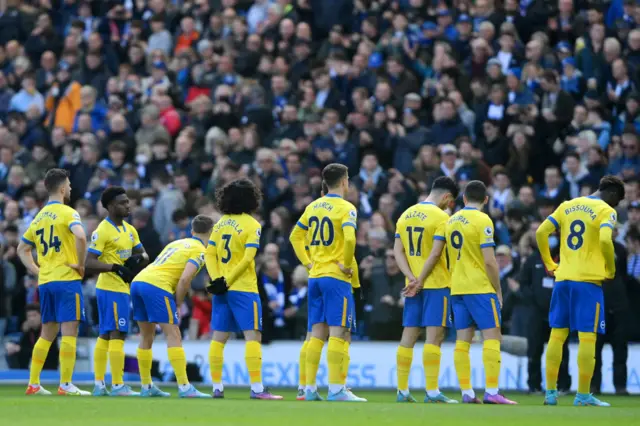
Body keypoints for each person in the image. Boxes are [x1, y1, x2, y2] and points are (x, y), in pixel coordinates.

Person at [536, 175, 626, 407]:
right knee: (587, 337)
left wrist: (549, 264)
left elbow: (540, 232)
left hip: (563, 279)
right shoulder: (606, 210)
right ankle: (583, 395)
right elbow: (606, 240)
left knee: (557, 335)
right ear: (613, 195)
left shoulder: (567, 206)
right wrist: (610, 268)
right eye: (616, 202)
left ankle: (550, 394)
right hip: (588, 283)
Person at [289, 163, 366, 402]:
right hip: (336, 277)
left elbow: (295, 236)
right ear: (344, 181)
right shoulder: (346, 208)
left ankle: (309, 388)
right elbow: (350, 238)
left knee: (316, 334)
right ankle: (336, 389)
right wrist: (345, 263)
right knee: (338, 333)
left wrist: (307, 262)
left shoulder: (313, 207)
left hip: (315, 277)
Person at [205, 179, 283, 400]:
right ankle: (257, 388)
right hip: (243, 289)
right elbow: (249, 257)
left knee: (218, 338)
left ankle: (217, 387)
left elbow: (209, 254)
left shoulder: (220, 224)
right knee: (253, 337)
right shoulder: (253, 225)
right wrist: (228, 280)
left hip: (221, 289)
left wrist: (217, 279)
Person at [17, 168, 89, 396]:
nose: (70, 188)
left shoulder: (38, 216)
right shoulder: (68, 213)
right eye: (68, 184)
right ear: (61, 188)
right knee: (69, 332)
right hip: (67, 279)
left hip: (46, 282)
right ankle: (66, 384)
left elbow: (22, 248)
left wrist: (37, 270)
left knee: (47, 333)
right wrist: (80, 264)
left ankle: (34, 383)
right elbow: (80, 236)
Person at [446, 180, 517, 405]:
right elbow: (489, 261)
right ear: (486, 200)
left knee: (462, 342)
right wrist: (497, 289)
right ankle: (492, 391)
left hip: (457, 288)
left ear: (464, 199)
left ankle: (467, 392)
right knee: (492, 337)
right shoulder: (483, 220)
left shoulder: (452, 220)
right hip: (479, 287)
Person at [130, 215, 214, 398]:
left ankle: (146, 386)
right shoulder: (201, 250)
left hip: (138, 282)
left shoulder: (176, 243)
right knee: (173, 334)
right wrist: (178, 303)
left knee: (146, 336)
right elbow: (185, 279)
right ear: (212, 233)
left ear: (192, 231)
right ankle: (184, 387)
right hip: (157, 286)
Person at [393, 176, 459, 403]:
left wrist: (410, 277)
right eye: (450, 202)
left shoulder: (406, 213)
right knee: (435, 337)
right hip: (436, 284)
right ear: (447, 197)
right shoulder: (443, 217)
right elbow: (436, 253)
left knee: (409, 335)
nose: (448, 206)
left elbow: (398, 251)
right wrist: (420, 279)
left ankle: (402, 390)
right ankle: (432, 392)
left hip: (411, 286)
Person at [86, 186, 149, 397]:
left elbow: (144, 254)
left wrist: (136, 260)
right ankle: (117, 384)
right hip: (109, 288)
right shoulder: (102, 231)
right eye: (123, 202)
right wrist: (114, 267)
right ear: (111, 206)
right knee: (117, 334)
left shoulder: (130, 230)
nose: (127, 205)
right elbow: (89, 262)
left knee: (105, 335)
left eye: (128, 201)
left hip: (122, 289)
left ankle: (99, 384)